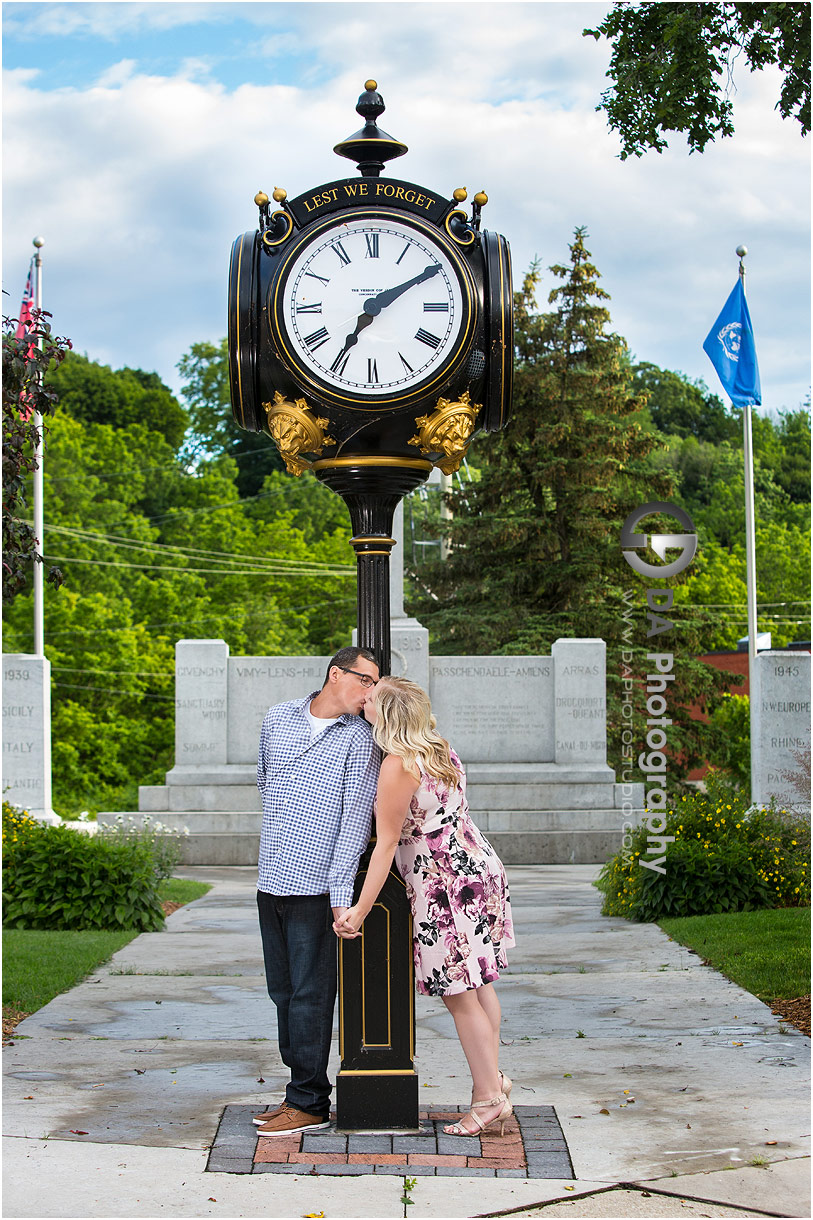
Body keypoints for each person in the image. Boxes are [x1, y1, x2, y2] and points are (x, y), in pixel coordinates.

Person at [333, 676, 516, 1138]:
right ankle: (494, 1081)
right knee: (480, 986)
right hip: (477, 869)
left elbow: (387, 844)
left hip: (443, 884)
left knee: (459, 997)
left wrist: (359, 908)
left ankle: (487, 1099)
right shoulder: (439, 749)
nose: (364, 700)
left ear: (388, 713)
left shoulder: (398, 764)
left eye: (371, 698)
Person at [253, 646, 381, 1137]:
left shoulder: (360, 739)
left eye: (376, 684)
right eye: (365, 680)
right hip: (272, 877)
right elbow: (266, 782)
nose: (371, 692)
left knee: (311, 995)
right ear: (335, 674)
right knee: (281, 992)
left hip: (316, 887)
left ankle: (309, 1103)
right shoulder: (278, 717)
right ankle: (296, 1091)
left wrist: (339, 892)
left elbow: (354, 822)